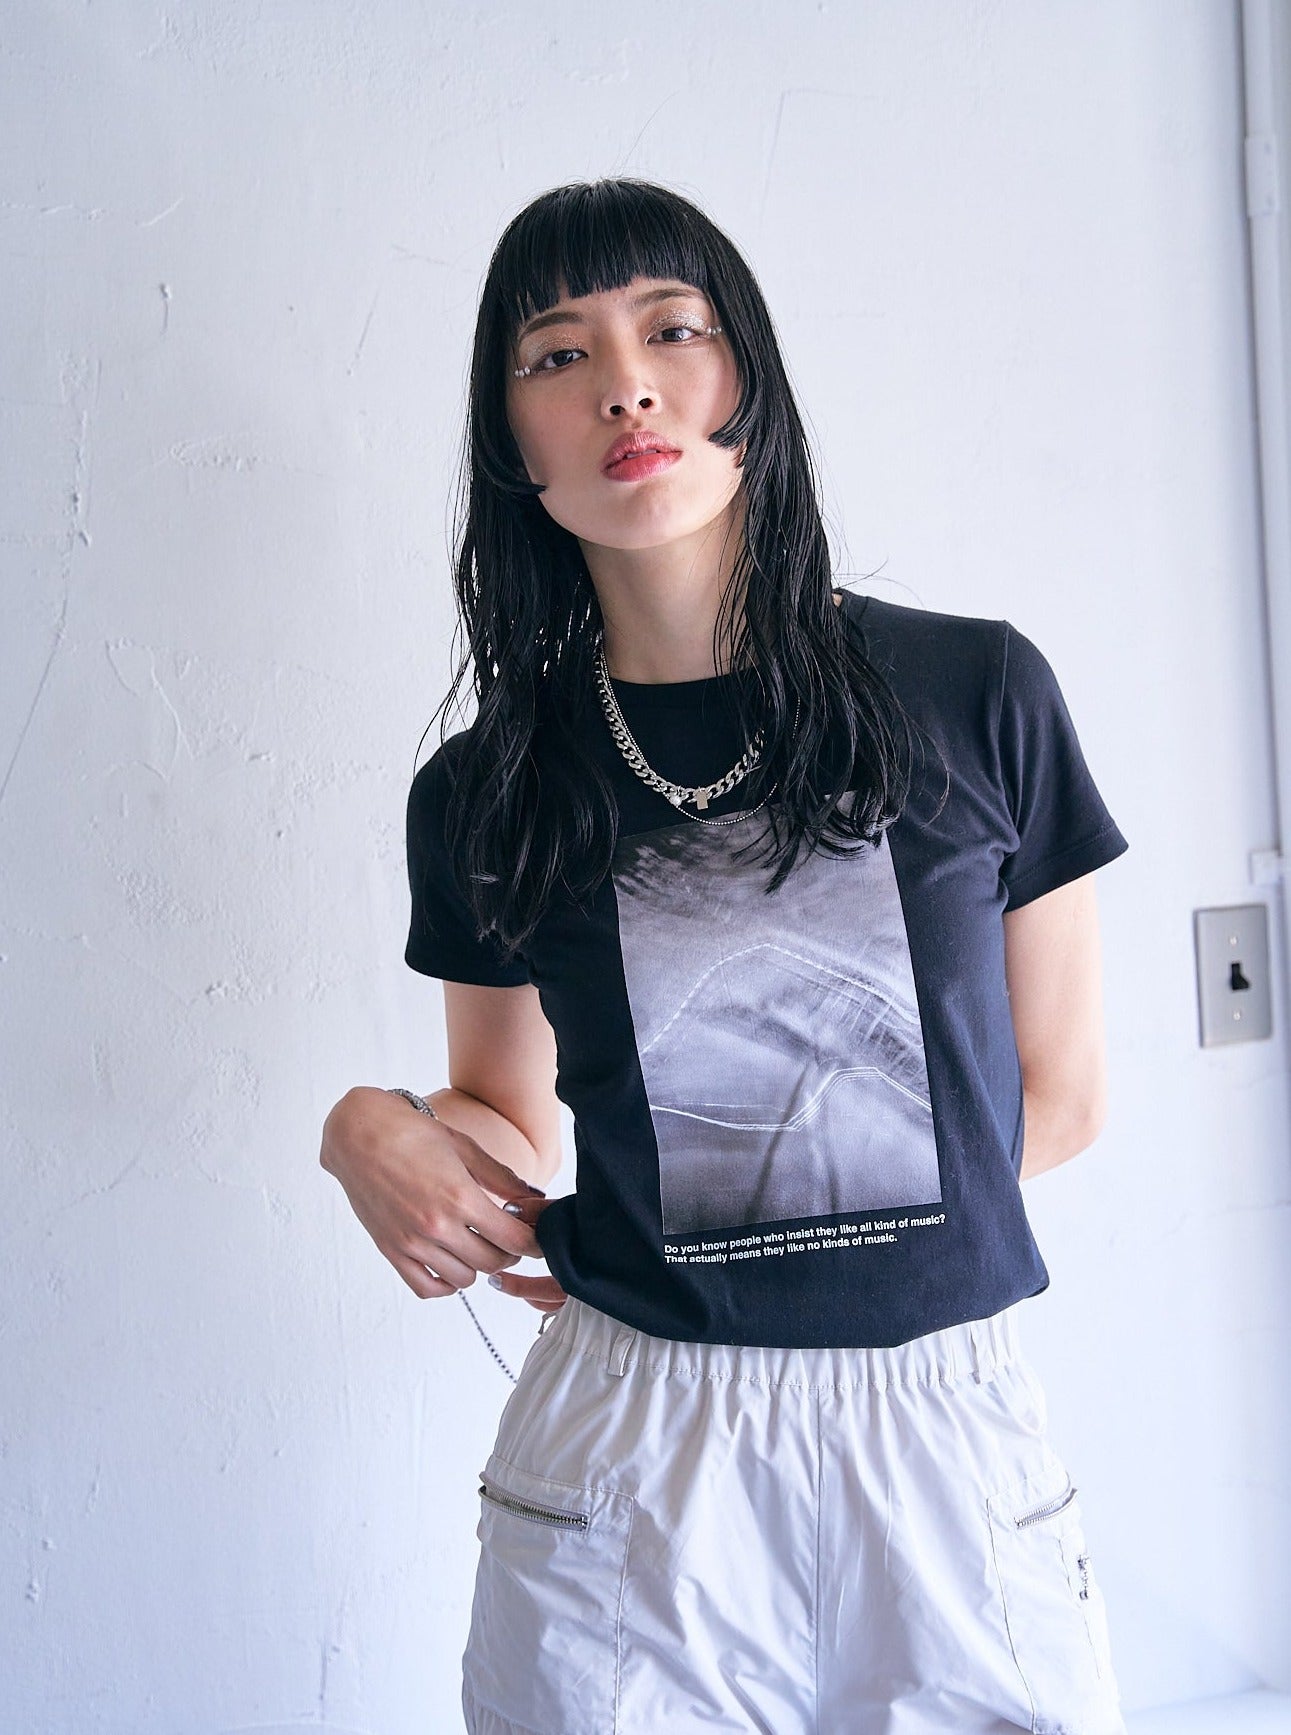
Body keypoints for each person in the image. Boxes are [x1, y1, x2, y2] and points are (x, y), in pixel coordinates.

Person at [320, 177, 1131, 1734]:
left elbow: (1065, 1094)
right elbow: (508, 1122)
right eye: (559, 354)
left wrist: (808, 1210)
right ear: (512, 440)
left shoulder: (977, 693)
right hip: (638, 1447)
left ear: (744, 372)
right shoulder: (488, 788)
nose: (624, 384)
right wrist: (377, 1129)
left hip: (942, 1438)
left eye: (672, 329)